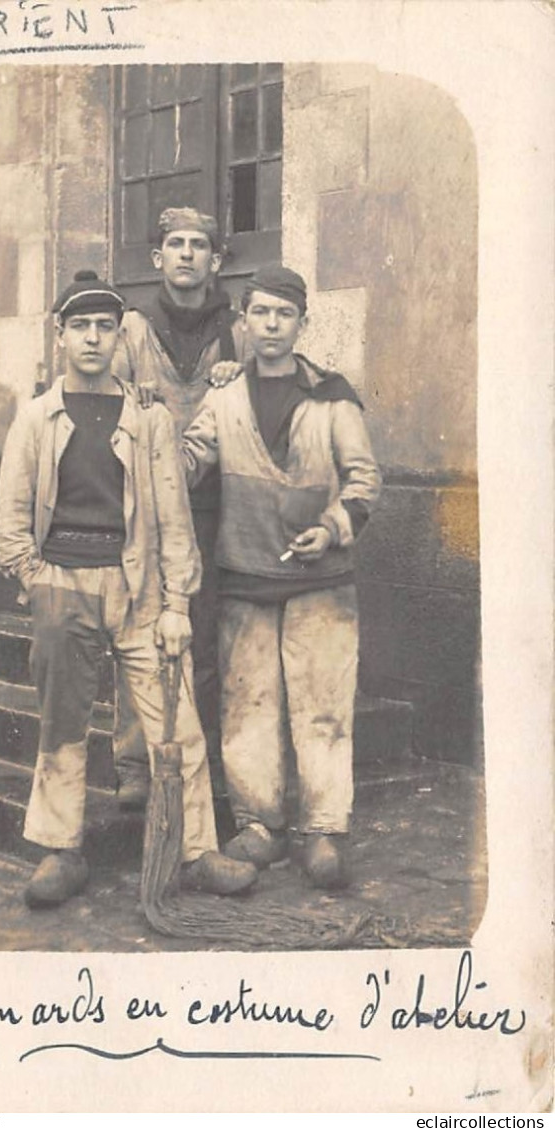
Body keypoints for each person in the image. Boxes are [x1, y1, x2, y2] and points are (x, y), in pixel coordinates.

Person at [0, 270, 258, 907]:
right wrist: (38, 582)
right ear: (60, 337)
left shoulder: (149, 419)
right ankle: (62, 849)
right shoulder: (35, 418)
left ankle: (196, 850)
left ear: (119, 337)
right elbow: (9, 517)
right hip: (65, 585)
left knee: (178, 723)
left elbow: (173, 516)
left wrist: (175, 604)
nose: (92, 338)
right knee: (63, 725)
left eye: (103, 327)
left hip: (138, 590)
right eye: (79, 327)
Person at [181, 265, 382, 889]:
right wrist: (148, 437)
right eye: (260, 313)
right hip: (243, 573)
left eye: (283, 314)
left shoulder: (332, 396)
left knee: (323, 705)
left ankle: (322, 830)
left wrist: (332, 527)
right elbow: (188, 461)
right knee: (248, 706)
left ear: (301, 322)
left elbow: (364, 480)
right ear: (243, 319)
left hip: (322, 580)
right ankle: (259, 824)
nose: (270, 325)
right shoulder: (223, 396)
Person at [110, 206, 247, 808]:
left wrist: (241, 370)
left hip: (216, 504)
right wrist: (127, 394)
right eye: (175, 244)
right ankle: (136, 763)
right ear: (157, 259)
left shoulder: (236, 328)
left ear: (215, 261)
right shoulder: (133, 330)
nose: (186, 254)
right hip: (147, 508)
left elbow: (264, 386)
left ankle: (205, 756)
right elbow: (101, 391)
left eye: (199, 245)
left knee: (208, 632)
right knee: (142, 629)